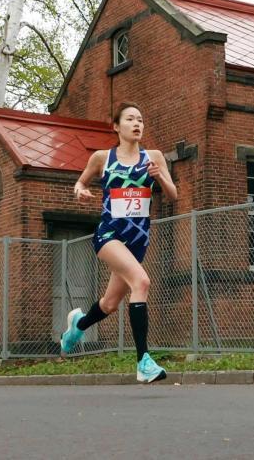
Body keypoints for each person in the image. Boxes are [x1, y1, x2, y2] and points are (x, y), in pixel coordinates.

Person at [61, 102, 178, 383]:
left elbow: (173, 195)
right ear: (116, 126)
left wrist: (159, 175)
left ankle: (77, 326)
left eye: (140, 119)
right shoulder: (103, 158)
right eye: (130, 119)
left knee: (110, 304)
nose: (137, 123)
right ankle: (143, 362)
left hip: (138, 240)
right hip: (109, 235)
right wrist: (80, 190)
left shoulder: (154, 157)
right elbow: (80, 183)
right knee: (142, 282)